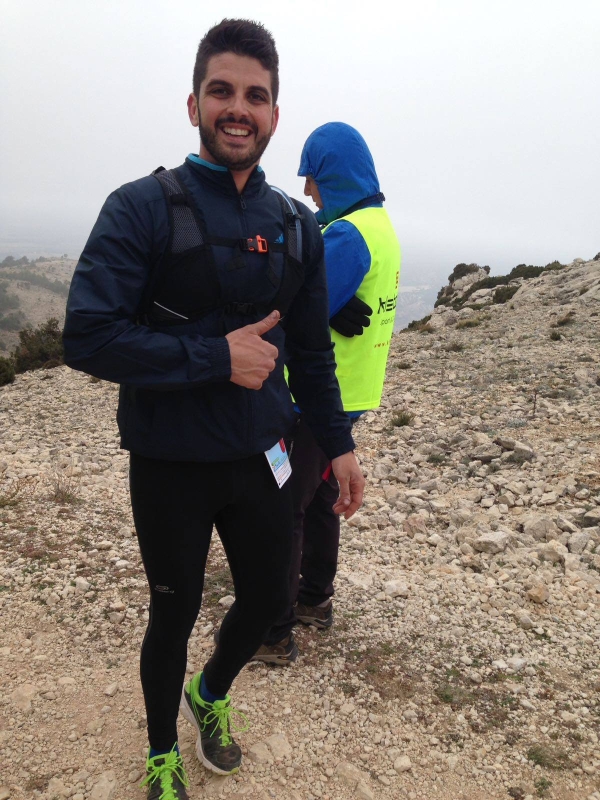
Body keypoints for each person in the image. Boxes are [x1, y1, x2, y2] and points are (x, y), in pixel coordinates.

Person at [62, 22, 364, 800]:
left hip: (263, 453)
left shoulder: (296, 227)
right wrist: (214, 358)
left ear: (274, 114)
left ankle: (211, 692)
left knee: (268, 598)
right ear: (194, 103)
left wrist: (338, 445)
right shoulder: (140, 208)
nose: (239, 108)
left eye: (255, 96)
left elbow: (312, 353)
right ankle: (162, 750)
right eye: (222, 91)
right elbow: (87, 336)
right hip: (170, 460)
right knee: (174, 611)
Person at [254, 122, 400, 665]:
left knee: (284, 505)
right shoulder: (377, 226)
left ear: (332, 175)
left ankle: (273, 631)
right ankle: (314, 598)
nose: (308, 190)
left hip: (314, 397)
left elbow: (286, 306)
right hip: (353, 392)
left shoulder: (347, 237)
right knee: (318, 498)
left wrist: (320, 304)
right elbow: (319, 273)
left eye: (312, 177)